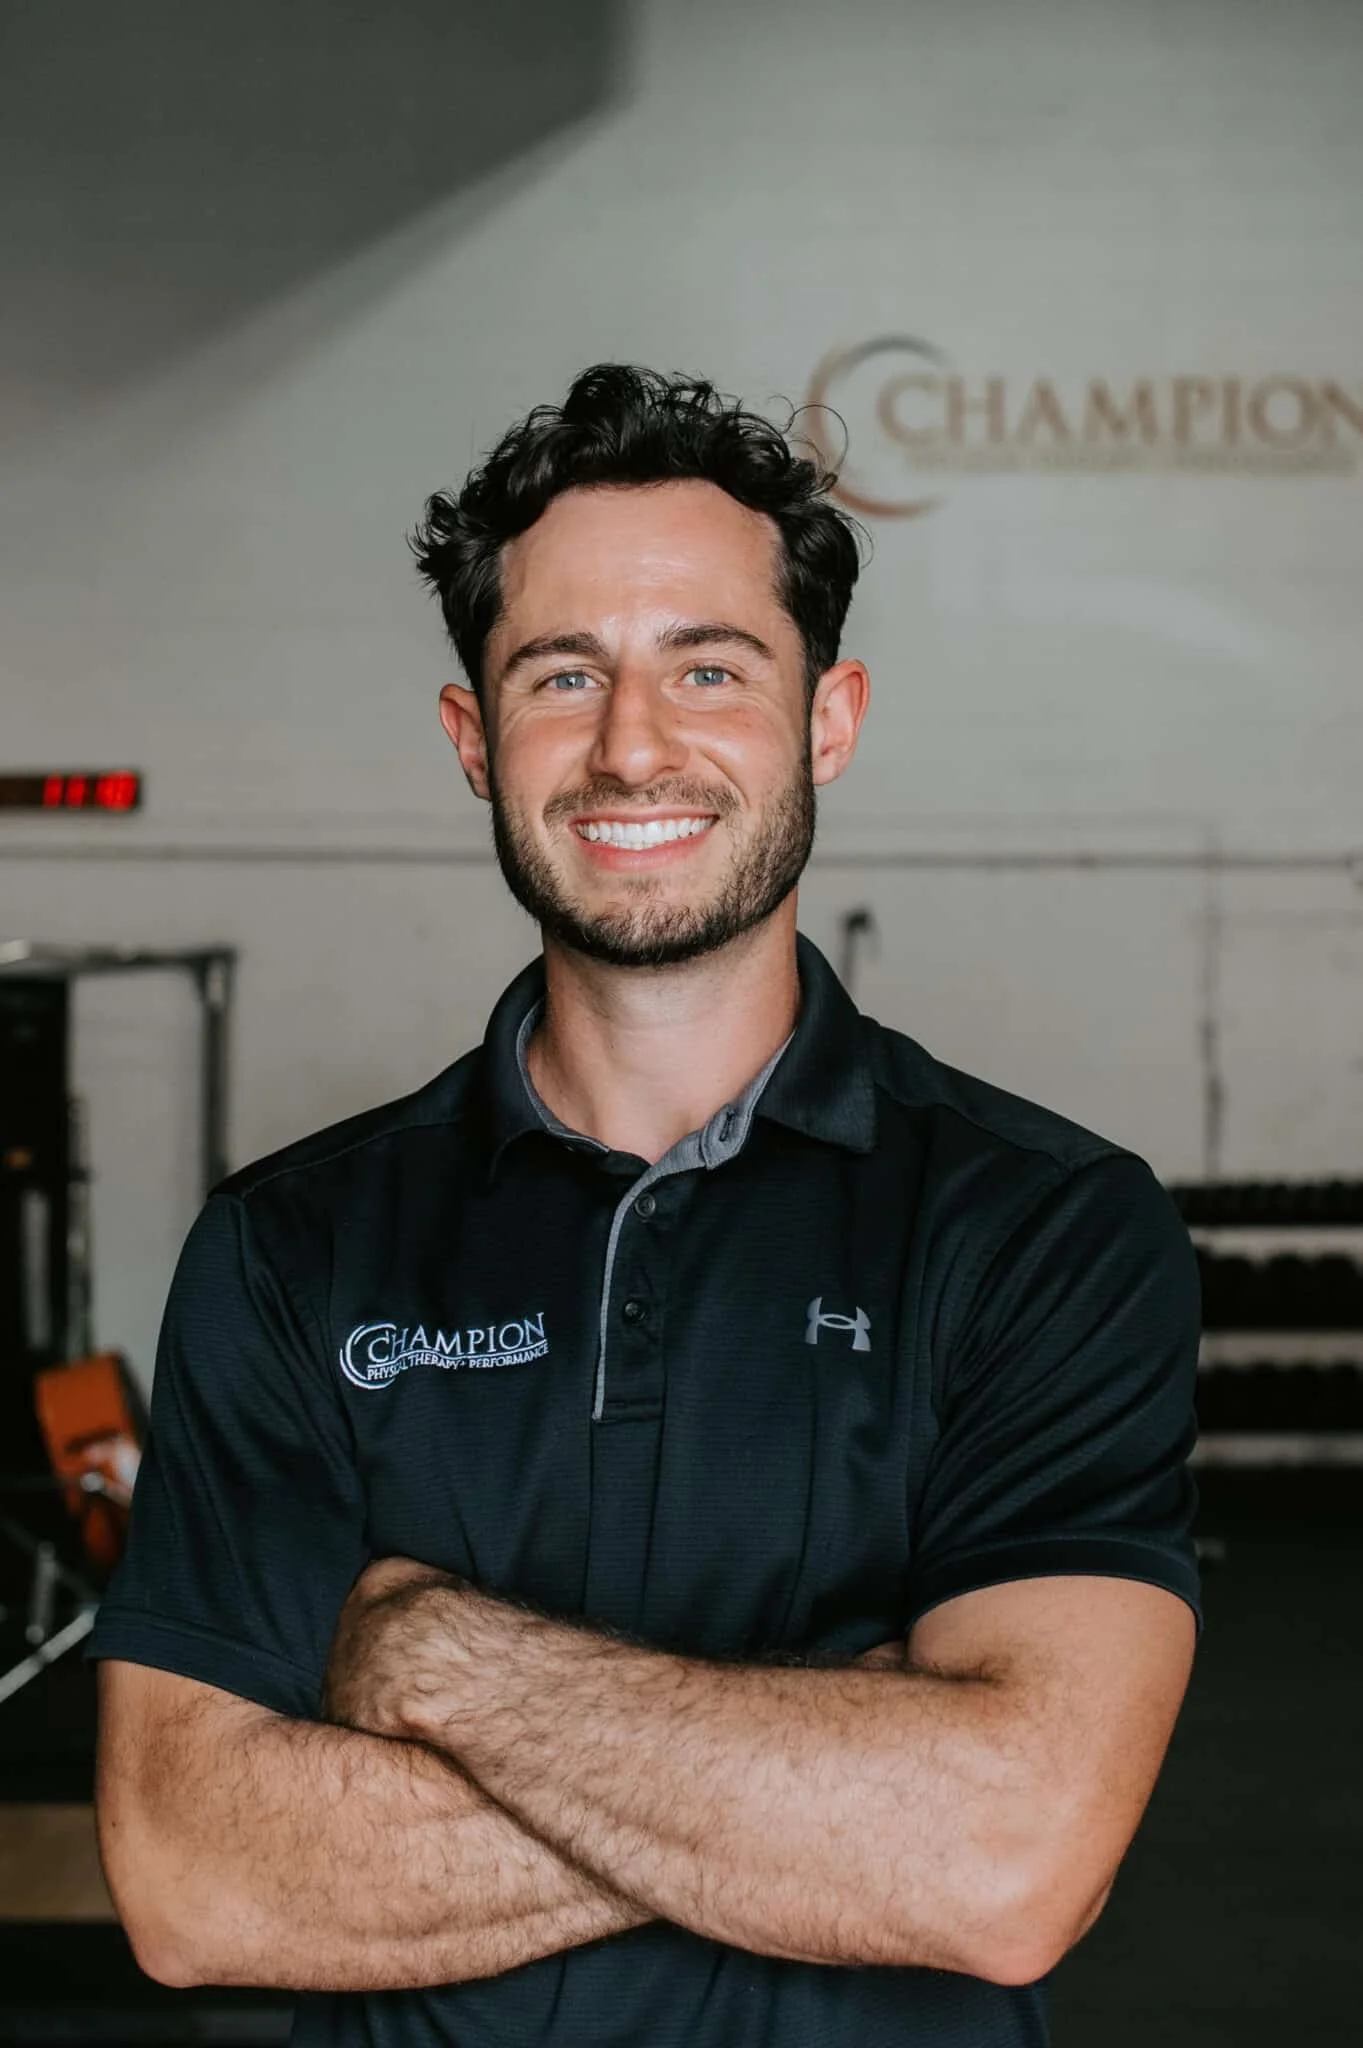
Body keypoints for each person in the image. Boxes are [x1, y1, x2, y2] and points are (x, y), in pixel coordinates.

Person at [91, 364, 1201, 2048]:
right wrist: (839, 1761)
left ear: (826, 717)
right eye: (562, 674)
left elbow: (1004, 1861)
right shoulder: (290, 1252)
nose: (631, 745)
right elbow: (196, 1884)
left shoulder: (1043, 1232)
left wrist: (430, 1655)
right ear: (474, 739)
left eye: (709, 664)